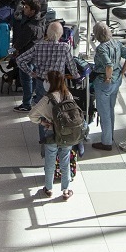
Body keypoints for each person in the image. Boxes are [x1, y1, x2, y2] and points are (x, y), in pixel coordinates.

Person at [30, 70, 82, 200]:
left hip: (51, 132)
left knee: (50, 161)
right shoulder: (68, 94)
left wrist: (43, 122)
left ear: (50, 83)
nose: (45, 82)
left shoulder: (47, 99)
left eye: (47, 80)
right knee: (65, 160)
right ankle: (65, 190)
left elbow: (32, 115)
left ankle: (48, 189)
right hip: (67, 133)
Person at [90, 22, 126, 151]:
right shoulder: (116, 43)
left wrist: (108, 78)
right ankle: (110, 136)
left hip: (104, 82)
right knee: (111, 108)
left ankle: (106, 142)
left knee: (104, 111)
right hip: (118, 79)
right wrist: (122, 72)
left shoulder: (101, 48)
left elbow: (108, 65)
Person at [15, 22, 79, 113]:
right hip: (58, 83)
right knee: (58, 109)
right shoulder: (64, 47)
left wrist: (31, 73)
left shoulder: (38, 46)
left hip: (42, 81)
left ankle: (44, 126)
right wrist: (76, 76)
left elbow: (20, 60)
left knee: (43, 111)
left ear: (47, 33)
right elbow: (71, 65)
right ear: (60, 35)